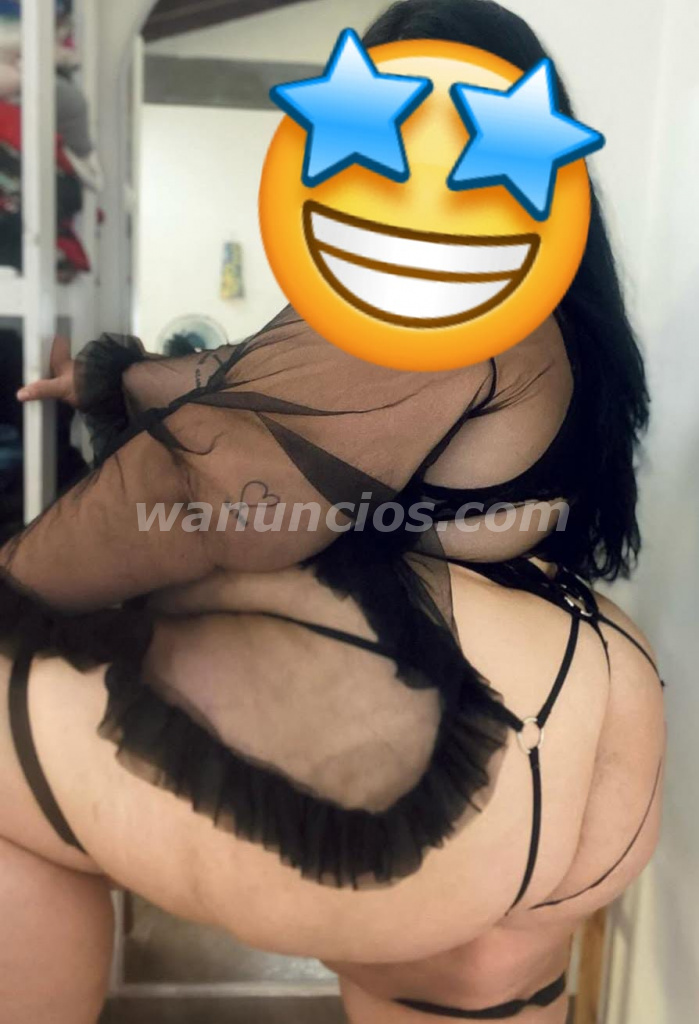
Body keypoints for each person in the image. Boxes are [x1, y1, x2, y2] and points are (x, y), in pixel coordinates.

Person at [0, 1, 664, 1021]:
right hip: (585, 700)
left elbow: (216, 490)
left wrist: (17, 583)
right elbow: (256, 380)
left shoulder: (427, 298)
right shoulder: (541, 303)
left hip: (445, 737)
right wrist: (117, 379)